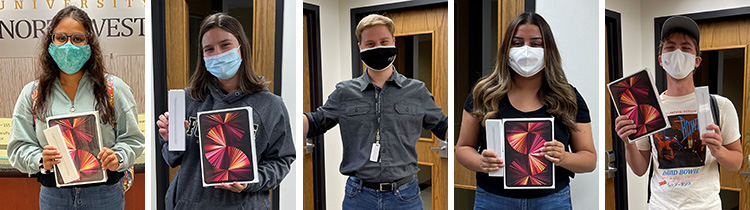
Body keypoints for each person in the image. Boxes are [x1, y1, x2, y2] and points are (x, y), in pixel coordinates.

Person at [303, 14, 448, 209]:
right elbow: (315, 122)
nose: (377, 47)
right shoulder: (344, 92)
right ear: (360, 47)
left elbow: (442, 126)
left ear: (393, 42)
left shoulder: (416, 90)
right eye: (370, 43)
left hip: (405, 196)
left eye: (383, 41)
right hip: (359, 196)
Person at [455, 12, 597, 210]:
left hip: (552, 201)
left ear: (548, 50)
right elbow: (462, 149)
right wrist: (481, 162)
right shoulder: (484, 93)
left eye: (536, 44)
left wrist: (564, 157)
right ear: (506, 49)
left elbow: (589, 159)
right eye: (517, 43)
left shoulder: (568, 97)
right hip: (493, 200)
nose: (526, 50)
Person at [7, 6, 145, 209]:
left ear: (90, 43)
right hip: (54, 196)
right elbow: (18, 147)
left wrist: (118, 156)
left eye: (78, 39)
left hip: (104, 196)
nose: (68, 45)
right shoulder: (33, 93)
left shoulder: (114, 89)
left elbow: (133, 139)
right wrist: (39, 159)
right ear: (50, 42)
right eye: (61, 38)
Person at [155, 13, 295, 210]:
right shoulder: (188, 100)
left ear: (241, 48)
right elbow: (172, 159)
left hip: (243, 205)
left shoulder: (270, 105)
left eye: (225, 45)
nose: (218, 54)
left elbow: (281, 160)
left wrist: (250, 181)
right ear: (202, 56)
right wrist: (172, 140)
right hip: (188, 204)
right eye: (209, 49)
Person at [615, 16, 742, 209]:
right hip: (661, 205)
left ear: (697, 61)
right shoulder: (647, 108)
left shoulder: (720, 105)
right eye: (670, 47)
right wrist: (628, 142)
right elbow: (640, 169)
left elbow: (736, 164)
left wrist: (718, 150)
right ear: (661, 60)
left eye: (686, 47)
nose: (677, 53)